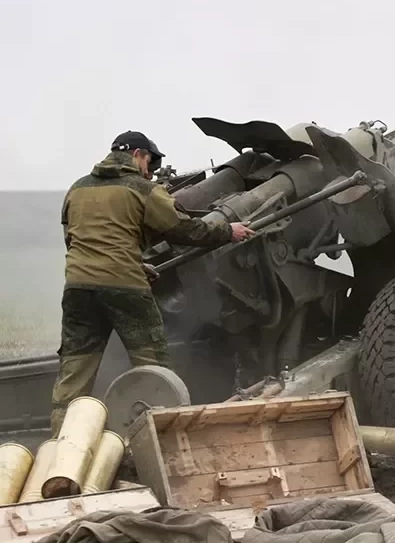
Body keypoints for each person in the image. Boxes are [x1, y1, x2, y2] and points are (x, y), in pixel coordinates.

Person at [50, 130, 255, 434]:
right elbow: (183, 230)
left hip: (78, 288)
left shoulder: (78, 188)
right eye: (150, 163)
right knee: (153, 364)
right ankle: (163, 435)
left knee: (74, 370)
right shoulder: (141, 188)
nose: (151, 172)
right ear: (137, 155)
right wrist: (227, 231)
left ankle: (61, 440)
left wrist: (134, 263)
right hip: (125, 290)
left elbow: (79, 240)